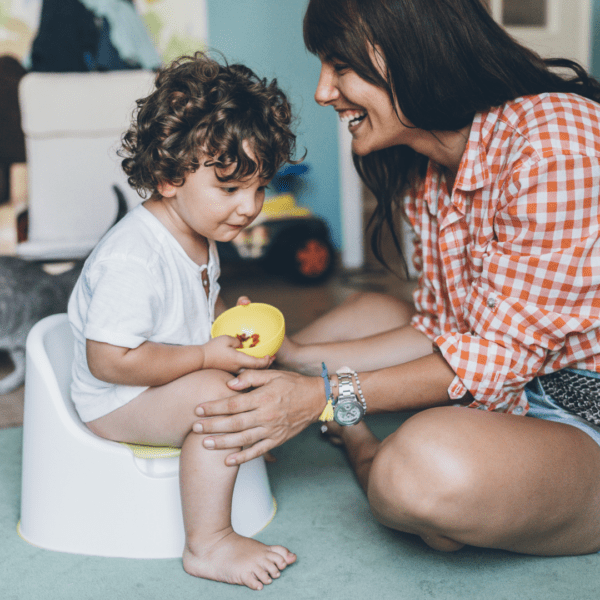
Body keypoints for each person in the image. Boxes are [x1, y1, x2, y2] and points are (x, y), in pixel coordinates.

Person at [192, 0, 600, 558]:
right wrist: (296, 355)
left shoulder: (555, 144)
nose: (322, 92)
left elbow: (493, 356)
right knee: (378, 313)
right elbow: (443, 326)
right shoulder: (430, 173)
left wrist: (325, 398)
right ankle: (331, 397)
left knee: (419, 473)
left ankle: (362, 449)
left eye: (340, 66)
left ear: (412, 53)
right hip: (508, 392)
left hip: (583, 414)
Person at [67, 52, 298, 589]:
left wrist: (223, 331)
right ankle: (209, 542)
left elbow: (196, 306)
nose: (249, 207)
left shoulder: (198, 233)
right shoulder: (134, 256)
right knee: (226, 398)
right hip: (114, 401)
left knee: (246, 379)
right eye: (230, 187)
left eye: (259, 187)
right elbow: (107, 360)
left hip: (157, 381)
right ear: (169, 176)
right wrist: (204, 357)